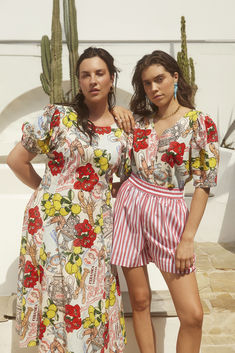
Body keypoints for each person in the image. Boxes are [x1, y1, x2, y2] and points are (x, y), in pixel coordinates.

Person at [7, 47, 131, 353]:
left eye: (100, 73)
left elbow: (126, 182)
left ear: (112, 78)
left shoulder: (123, 130)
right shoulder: (57, 117)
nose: (93, 81)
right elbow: (15, 160)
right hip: (51, 228)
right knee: (58, 298)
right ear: (78, 81)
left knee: (91, 299)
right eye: (85, 75)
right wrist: (46, 190)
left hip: (95, 227)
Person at [111, 50, 219, 353]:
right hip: (130, 208)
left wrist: (188, 237)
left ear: (175, 77)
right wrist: (117, 110)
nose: (153, 88)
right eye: (146, 84)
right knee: (141, 301)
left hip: (169, 212)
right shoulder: (139, 123)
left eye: (159, 79)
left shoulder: (200, 123)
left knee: (193, 315)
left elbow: (204, 182)